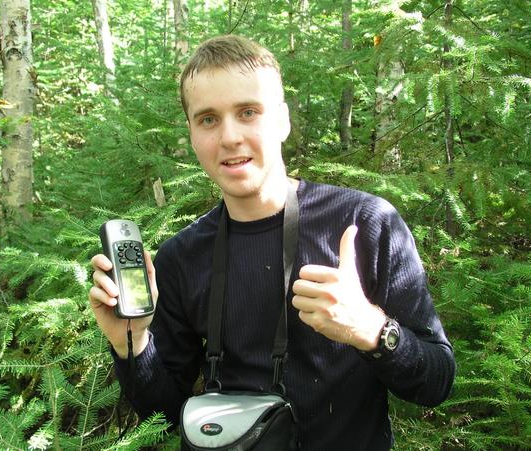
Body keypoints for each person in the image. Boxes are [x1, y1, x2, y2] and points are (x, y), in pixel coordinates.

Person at [89, 35, 455, 450]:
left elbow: (437, 381)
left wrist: (370, 328)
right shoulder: (181, 257)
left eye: (248, 112)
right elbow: (167, 415)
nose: (229, 137)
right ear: (191, 132)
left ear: (282, 120)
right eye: (208, 119)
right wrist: (131, 343)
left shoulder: (364, 224)